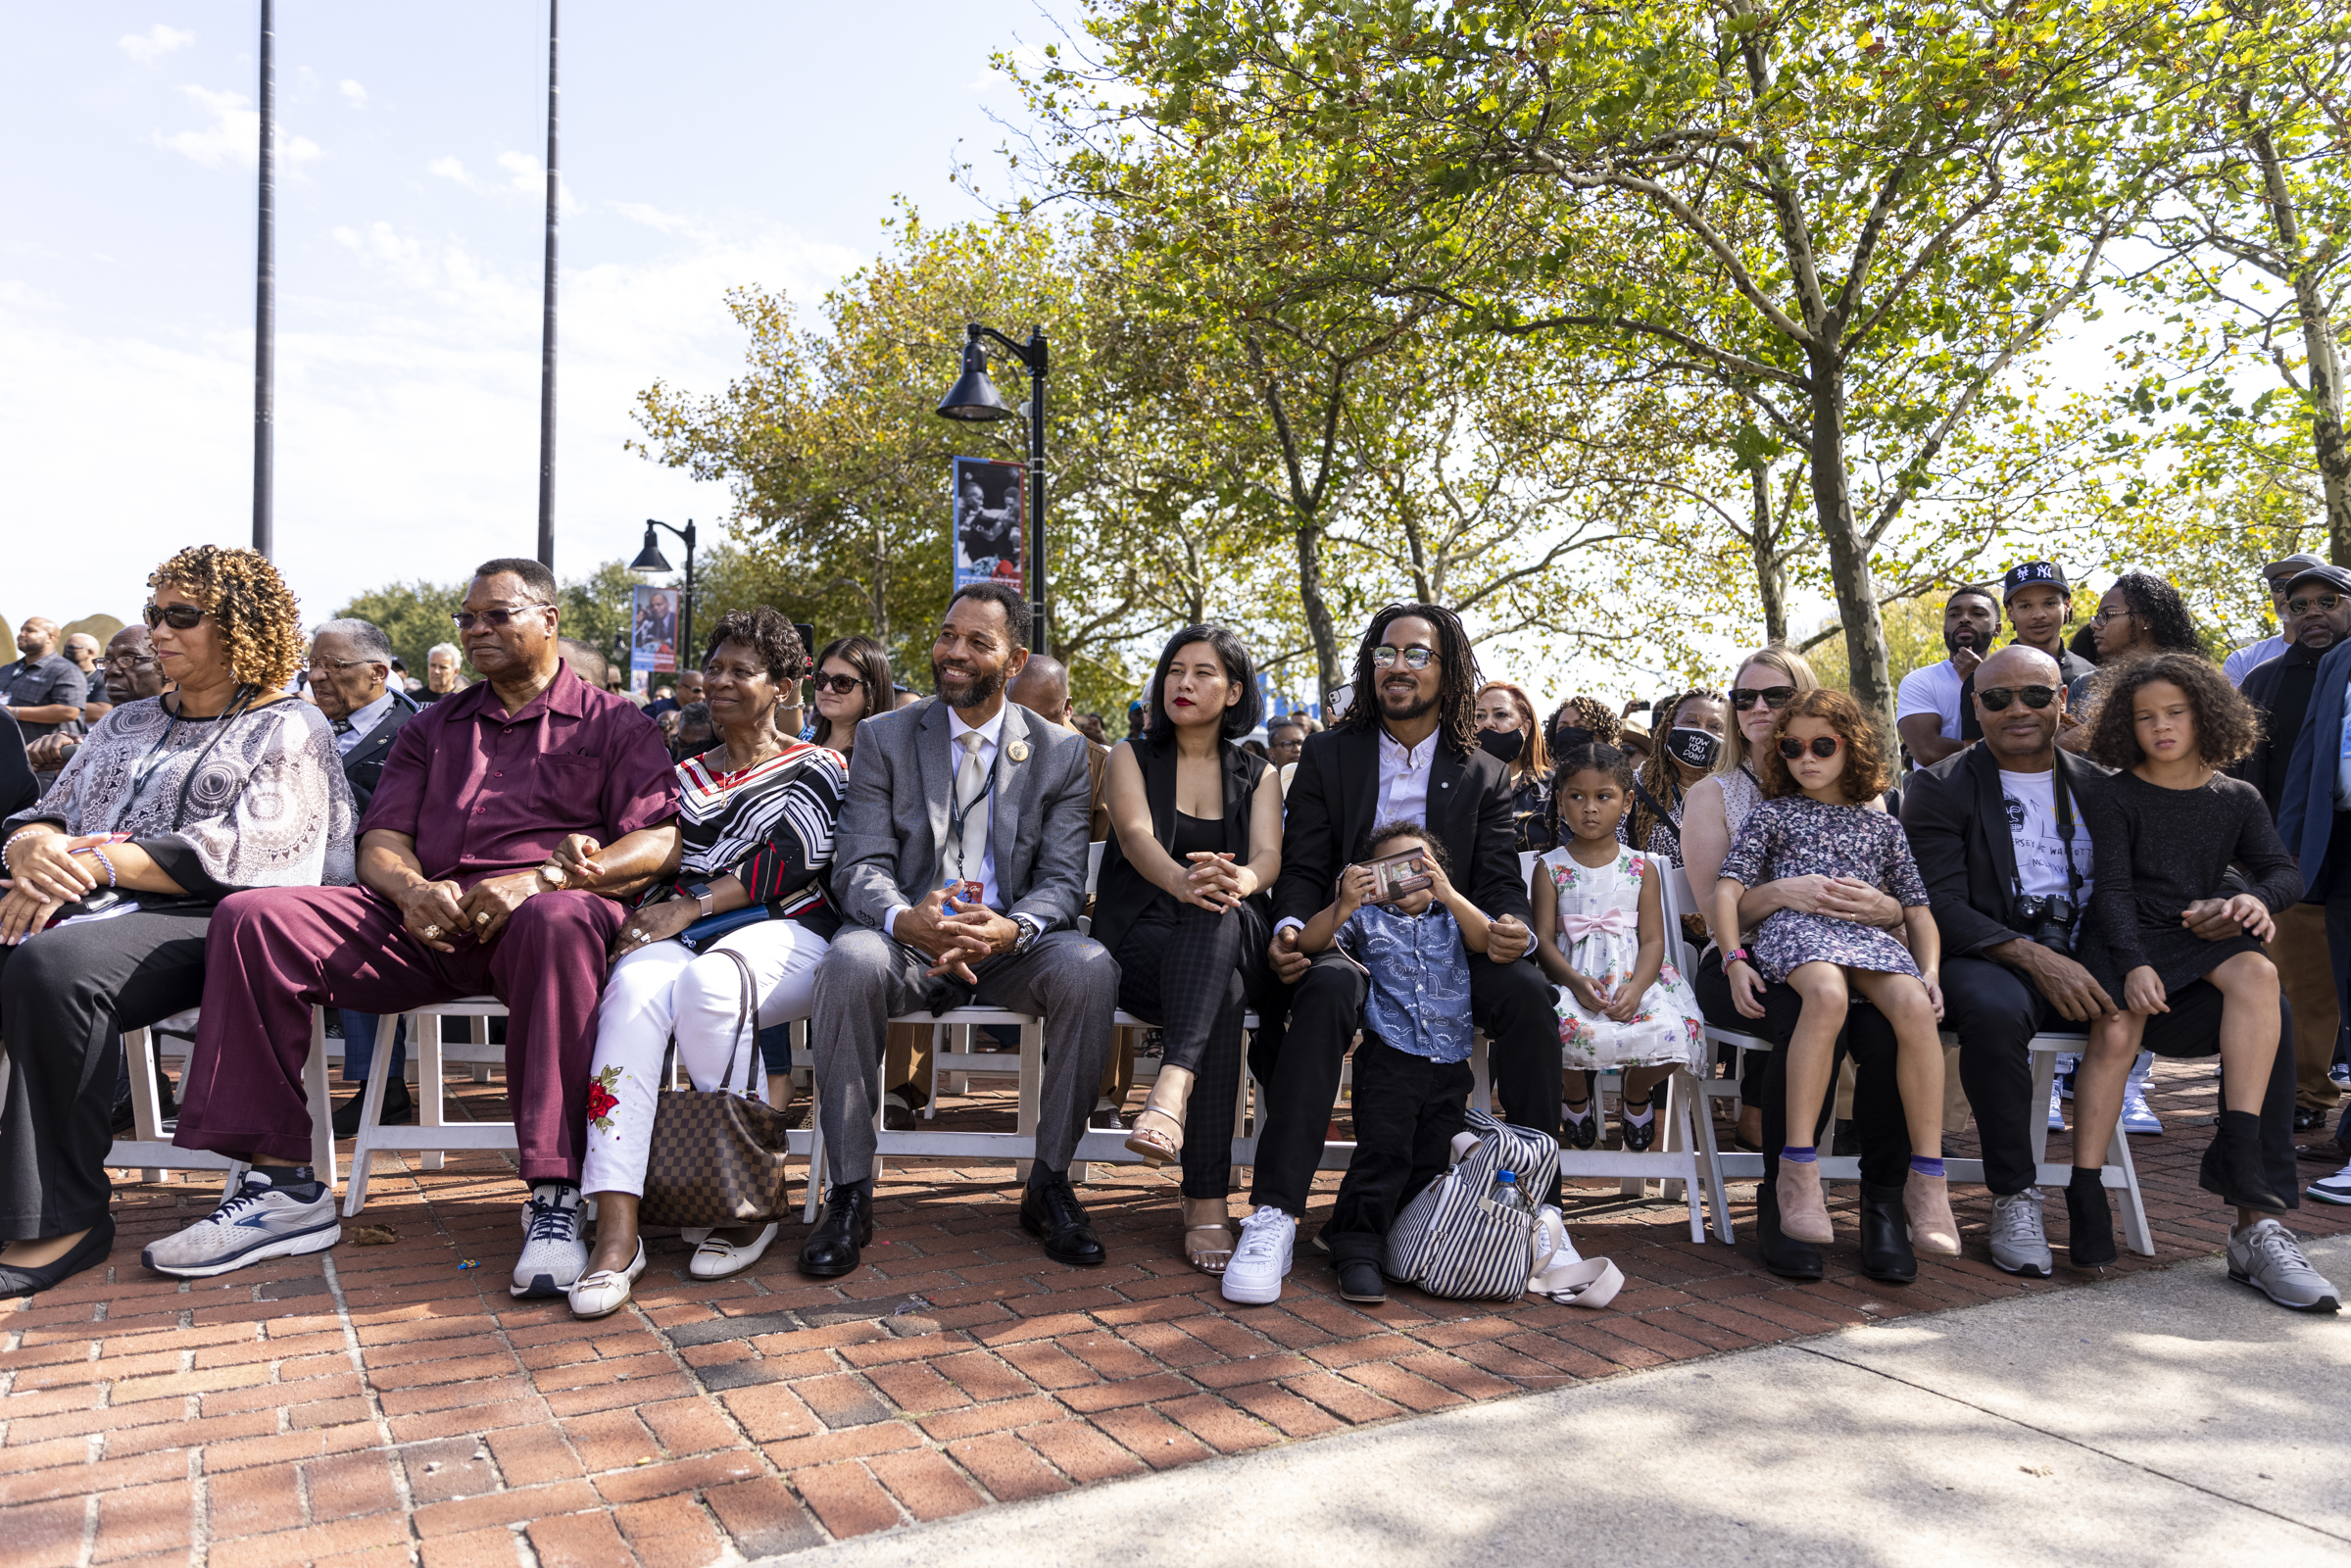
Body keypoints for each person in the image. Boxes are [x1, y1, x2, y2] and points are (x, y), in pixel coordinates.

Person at [153, 559, 679, 1297]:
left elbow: (657, 841)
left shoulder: (616, 723)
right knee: (253, 917)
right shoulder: (433, 725)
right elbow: (380, 842)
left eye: (497, 615)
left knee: (559, 923)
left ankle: (557, 1196)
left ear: (549, 620)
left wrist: (543, 879)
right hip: (425, 925)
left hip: (541, 924)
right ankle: (280, 1188)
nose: (476, 630)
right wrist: (410, 889)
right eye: (467, 619)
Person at [0, 547, 354, 1296]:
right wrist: (33, 850)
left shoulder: (288, 725)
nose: (158, 629)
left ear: (242, 627)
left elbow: (260, 854)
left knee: (53, 968)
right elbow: (45, 813)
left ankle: (63, 1218)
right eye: (156, 612)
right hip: (86, 901)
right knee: (32, 945)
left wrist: (96, 863)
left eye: (182, 616)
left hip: (217, 920)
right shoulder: (122, 722)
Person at [1231, 603, 1546, 1307]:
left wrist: (1509, 928)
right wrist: (1289, 927)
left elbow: (1498, 882)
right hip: (1352, 936)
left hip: (1446, 943)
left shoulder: (1481, 772)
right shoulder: (1329, 753)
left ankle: (1538, 1210)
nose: (1396, 666)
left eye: (1415, 654)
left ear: (1448, 670)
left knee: (1525, 995)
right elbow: (1306, 863)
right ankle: (1276, 1214)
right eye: (1383, 653)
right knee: (1323, 993)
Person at [799, 580, 1115, 1279]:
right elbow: (860, 863)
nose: (955, 652)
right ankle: (849, 1193)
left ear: (1013, 660)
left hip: (1010, 948)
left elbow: (1063, 880)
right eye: (948, 635)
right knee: (847, 961)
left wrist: (1011, 928)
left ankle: (1049, 1183)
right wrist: (905, 919)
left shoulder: (1060, 753)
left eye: (978, 642)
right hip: (904, 942)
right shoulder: (884, 738)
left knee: (1089, 967)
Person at [568, 612, 847, 1316]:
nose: (719, 680)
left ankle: (741, 1196)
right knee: (628, 994)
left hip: (790, 930)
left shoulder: (818, 764)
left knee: (713, 984)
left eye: (741, 670)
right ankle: (617, 1226)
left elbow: (793, 859)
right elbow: (653, 851)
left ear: (784, 687)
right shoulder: (682, 773)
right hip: (687, 930)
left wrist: (689, 909)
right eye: (715, 667)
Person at [2067, 656, 2330, 1307]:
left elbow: (2281, 871)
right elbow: (2114, 891)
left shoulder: (2235, 797)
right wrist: (2131, 964)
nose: (2160, 727)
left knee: (2257, 972)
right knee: (2117, 1026)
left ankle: (2240, 1148)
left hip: (2196, 933)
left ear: (2205, 716)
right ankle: (2085, 1188)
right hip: (2125, 937)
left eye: (2174, 713)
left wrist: (2254, 902)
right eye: (2144, 717)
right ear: (2125, 727)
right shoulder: (2114, 793)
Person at [1902, 643, 2131, 1277]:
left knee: (2248, 992)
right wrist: (2031, 955)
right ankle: (2013, 1195)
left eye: (2035, 694)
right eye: (1997, 698)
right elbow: (1933, 902)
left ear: (2061, 701)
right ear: (1974, 709)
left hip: (2090, 952)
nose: (2017, 709)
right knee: (1992, 1010)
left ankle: (2256, 1211)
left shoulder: (2103, 785)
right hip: (1986, 952)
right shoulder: (1937, 786)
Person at [1714, 689, 1956, 1257]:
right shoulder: (1773, 813)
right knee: (1825, 996)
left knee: (1915, 1006)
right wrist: (1733, 960)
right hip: (1797, 929)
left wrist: (1931, 971)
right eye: (1792, 746)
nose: (1807, 757)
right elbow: (1729, 890)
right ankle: (1798, 1169)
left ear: (1853, 746)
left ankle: (1928, 1180)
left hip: (1867, 936)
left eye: (1823, 744)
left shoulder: (1883, 825)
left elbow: (1918, 911)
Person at [1095, 625, 1282, 1275]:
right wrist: (1180, 879)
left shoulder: (1259, 772)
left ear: (1233, 691)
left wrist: (1240, 880)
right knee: (1222, 990)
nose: (1183, 682)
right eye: (1175, 670)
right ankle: (1204, 1200)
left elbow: (1267, 858)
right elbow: (1136, 834)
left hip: (1230, 926)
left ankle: (1169, 1091)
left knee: (1220, 907)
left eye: (1203, 673)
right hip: (1141, 940)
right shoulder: (1129, 755)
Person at [1293, 822, 1491, 1304]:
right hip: (1390, 1057)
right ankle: (1357, 1251)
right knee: (1384, 1155)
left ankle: (1368, 1236)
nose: (1403, 878)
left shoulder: (1451, 916)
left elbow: (1486, 939)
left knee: (1427, 1163)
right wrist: (1344, 903)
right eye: (1389, 869)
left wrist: (1448, 891)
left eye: (1416, 866)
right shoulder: (1366, 917)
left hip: (1449, 1061)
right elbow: (1309, 943)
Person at [1536, 744, 1705, 1152]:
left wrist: (1637, 987)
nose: (1589, 808)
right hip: (1571, 977)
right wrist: (1574, 982)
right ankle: (1574, 1097)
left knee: (1675, 1033)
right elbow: (1541, 940)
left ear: (1627, 801)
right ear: (1560, 801)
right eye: (1576, 796)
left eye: (1603, 796)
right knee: (1552, 1033)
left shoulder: (1641, 866)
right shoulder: (1550, 866)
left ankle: (1637, 1089)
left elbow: (1653, 940)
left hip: (1636, 977)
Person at [2233, 564, 2351, 1139]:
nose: (2312, 614)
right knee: (2298, 982)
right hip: (2295, 854)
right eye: (2297, 605)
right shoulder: (2263, 680)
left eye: (2327, 601)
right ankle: (2303, 1093)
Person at [306, 617, 424, 1135]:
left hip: (376, 880)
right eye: (312, 666)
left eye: (332, 666)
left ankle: (382, 1087)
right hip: (299, 873)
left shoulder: (414, 731)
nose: (317, 677)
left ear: (378, 673)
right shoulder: (304, 725)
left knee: (352, 930)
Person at [1954, 563, 2097, 746]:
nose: (2038, 614)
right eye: (2025, 606)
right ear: (2010, 612)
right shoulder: (1984, 677)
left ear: (2067, 605)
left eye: (2050, 603)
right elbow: (1974, 754)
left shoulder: (2088, 674)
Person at [27, 624, 170, 776]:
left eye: (128, 659)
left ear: (168, 667)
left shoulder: (190, 737)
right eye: (107, 661)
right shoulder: (97, 738)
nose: (110, 671)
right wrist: (70, 770)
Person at [1008, 653, 1111, 842]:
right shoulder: (991, 743)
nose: (1030, 733)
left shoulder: (1100, 765)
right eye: (1019, 719)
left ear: (1066, 707)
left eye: (1044, 721)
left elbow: (1103, 850)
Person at [1623, 687, 1729, 868]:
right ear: (1668, 730)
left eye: (1714, 726)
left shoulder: (1737, 793)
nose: (1701, 732)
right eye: (1691, 721)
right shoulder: (1629, 788)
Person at [1895, 585, 1999, 766]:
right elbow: (1928, 752)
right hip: (1938, 793)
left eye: (1978, 613)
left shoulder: (2015, 677)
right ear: (1944, 626)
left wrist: (1978, 677)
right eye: (1954, 615)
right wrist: (2000, 751)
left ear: (1997, 628)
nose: (1964, 619)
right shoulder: (1920, 681)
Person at [2072, 573, 2204, 712]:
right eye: (2098, 616)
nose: (2094, 625)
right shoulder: (2084, 686)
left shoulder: (2190, 683)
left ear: (2147, 620)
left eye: (2108, 615)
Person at [1474, 679, 1554, 852]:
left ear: (1525, 728)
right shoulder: (1453, 785)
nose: (1488, 723)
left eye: (1500, 714)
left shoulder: (1553, 788)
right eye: (1479, 716)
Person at [2, 616, 90, 771]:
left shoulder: (65, 670)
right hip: (8, 759)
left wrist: (11, 712)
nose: (21, 634)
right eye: (21, 630)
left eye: (30, 630)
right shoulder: (7, 670)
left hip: (45, 764)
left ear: (51, 637)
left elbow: (69, 711)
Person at [2227, 553, 2327, 686]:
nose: (2287, 593)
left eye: (2299, 584)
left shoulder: (2345, 654)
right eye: (2280, 586)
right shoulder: (2242, 661)